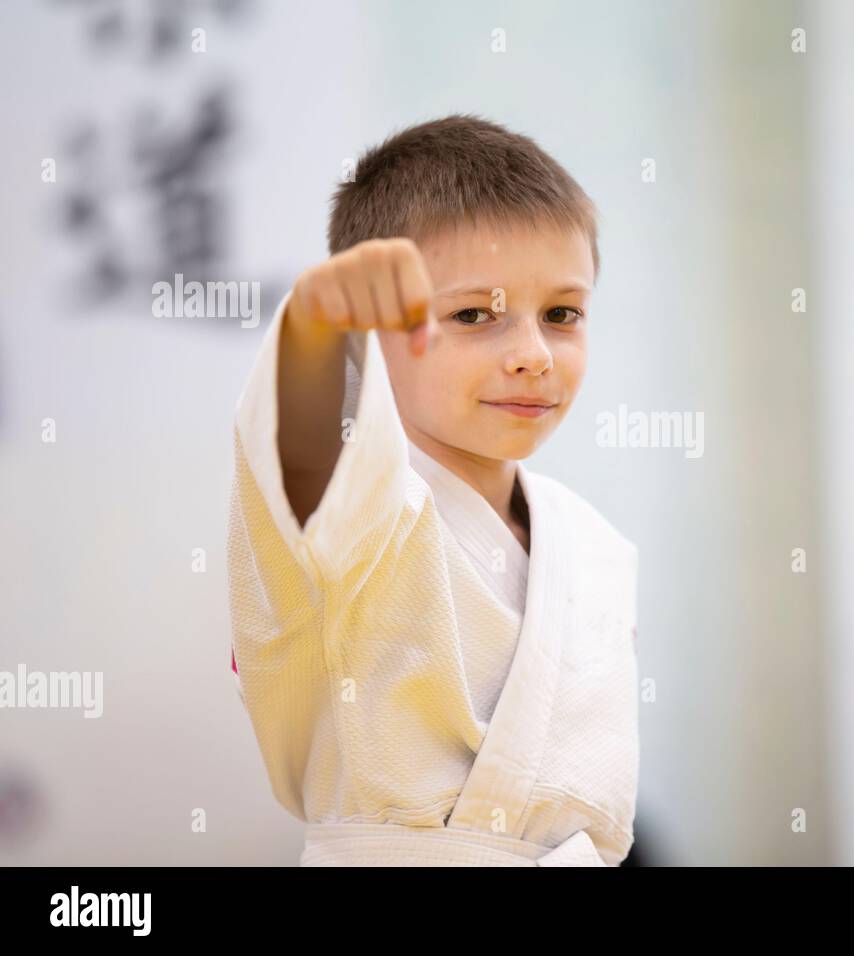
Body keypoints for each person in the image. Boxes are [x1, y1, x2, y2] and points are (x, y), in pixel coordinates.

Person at [227, 113, 638, 866]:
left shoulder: (593, 546)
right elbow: (308, 445)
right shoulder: (358, 516)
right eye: (474, 314)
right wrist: (321, 325)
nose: (532, 354)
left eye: (562, 314)